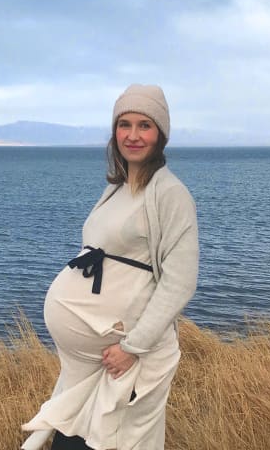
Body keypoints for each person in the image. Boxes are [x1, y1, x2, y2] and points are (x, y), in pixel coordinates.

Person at [21, 84, 199, 450]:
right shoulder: (117, 189)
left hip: (126, 360)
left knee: (112, 442)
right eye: (124, 124)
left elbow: (180, 281)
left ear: (160, 134)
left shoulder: (169, 193)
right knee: (71, 441)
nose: (133, 135)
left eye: (145, 125)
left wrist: (132, 347)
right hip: (92, 365)